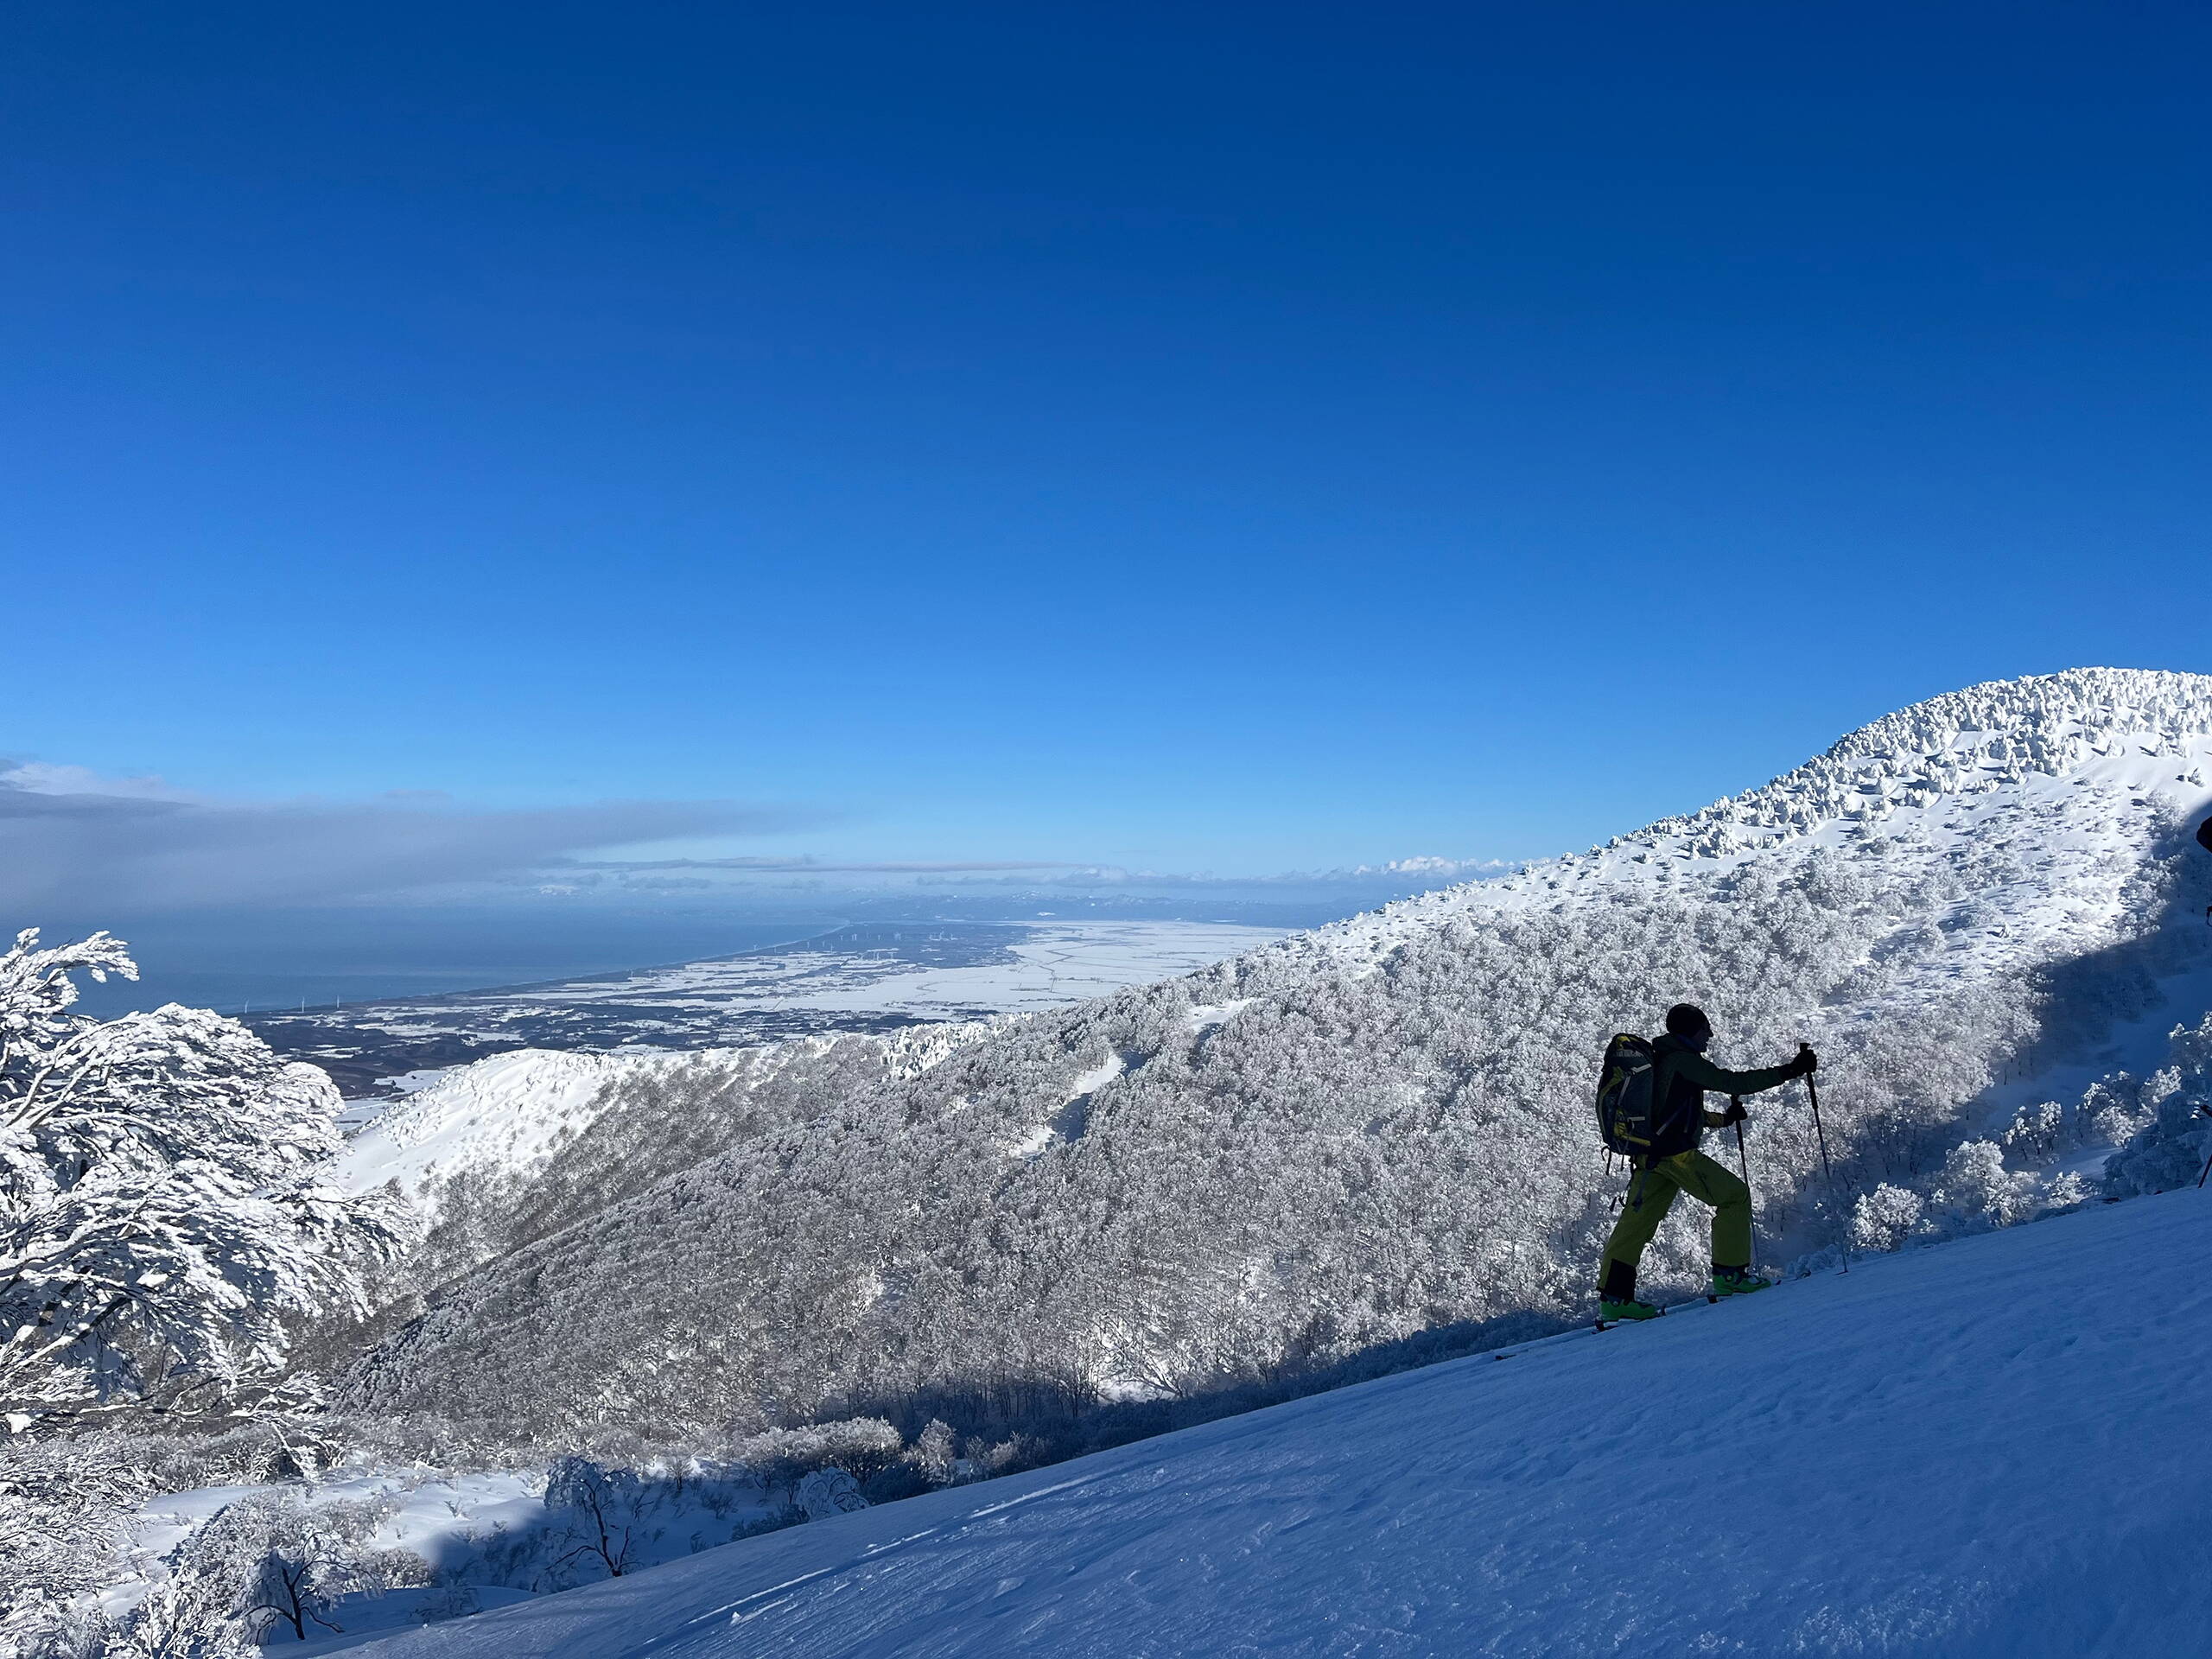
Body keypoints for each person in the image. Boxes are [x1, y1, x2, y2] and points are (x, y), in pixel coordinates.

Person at [1599, 1004, 1816, 1323]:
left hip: (1650, 1156)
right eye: (1705, 1028)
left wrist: (1723, 1119)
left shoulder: (1661, 1059)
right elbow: (1733, 1083)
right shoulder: (1683, 1061)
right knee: (1734, 1196)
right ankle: (1730, 1277)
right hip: (1676, 1157)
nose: (1710, 1035)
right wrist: (1790, 1070)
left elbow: (1673, 1113)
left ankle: (1614, 1301)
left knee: (1634, 1228)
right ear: (1691, 1031)